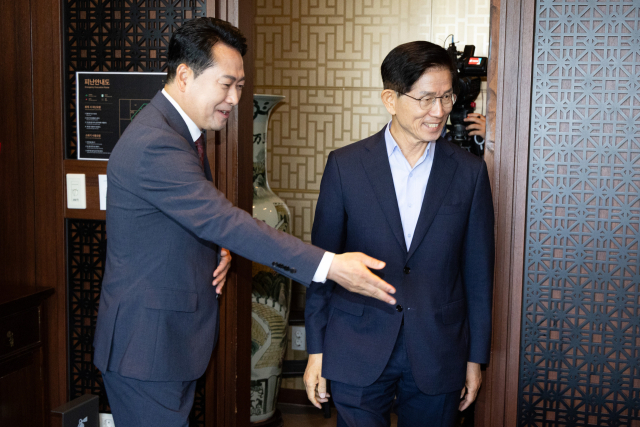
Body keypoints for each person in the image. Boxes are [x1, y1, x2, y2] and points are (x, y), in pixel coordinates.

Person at [93, 17, 397, 427]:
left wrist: (216, 250)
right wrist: (329, 265)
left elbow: (187, 219)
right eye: (226, 84)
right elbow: (222, 219)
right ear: (184, 75)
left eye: (239, 85)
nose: (235, 98)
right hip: (146, 345)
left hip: (163, 340)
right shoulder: (156, 142)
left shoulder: (177, 132)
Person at [304, 41, 495, 427]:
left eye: (446, 97)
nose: (439, 111)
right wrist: (316, 350)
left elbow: (478, 275)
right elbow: (322, 265)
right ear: (390, 99)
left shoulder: (469, 172)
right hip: (356, 343)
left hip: (438, 349)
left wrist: (475, 358)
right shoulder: (345, 166)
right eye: (425, 99)